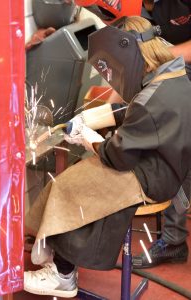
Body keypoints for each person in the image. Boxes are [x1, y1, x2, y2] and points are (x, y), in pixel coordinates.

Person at [24, 16, 191, 298]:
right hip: (166, 166)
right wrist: (89, 118)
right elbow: (137, 110)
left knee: (75, 186)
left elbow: (117, 156)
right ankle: (52, 241)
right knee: (82, 173)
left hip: (151, 177)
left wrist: (89, 139)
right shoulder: (173, 76)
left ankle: (62, 275)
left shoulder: (152, 101)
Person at [78, 0, 191, 268]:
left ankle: (174, 239)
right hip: (166, 67)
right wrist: (110, 108)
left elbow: (146, 55)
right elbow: (129, 63)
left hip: (178, 69)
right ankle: (172, 236)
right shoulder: (127, 6)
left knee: (177, 148)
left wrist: (157, 53)